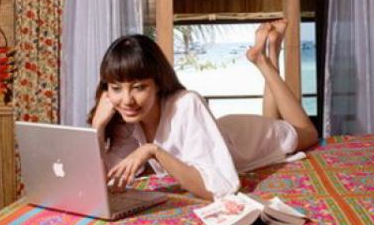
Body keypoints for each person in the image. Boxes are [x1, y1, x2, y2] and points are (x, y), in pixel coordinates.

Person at [88, 19, 319, 201]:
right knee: (272, 119)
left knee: (306, 133)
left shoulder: (187, 103)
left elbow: (219, 189)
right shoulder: (127, 121)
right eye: (116, 88)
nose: (126, 100)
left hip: (244, 139)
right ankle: (270, 51)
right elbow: (104, 180)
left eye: (139, 87)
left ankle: (263, 61)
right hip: (217, 132)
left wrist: (153, 151)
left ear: (157, 83)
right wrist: (97, 127)